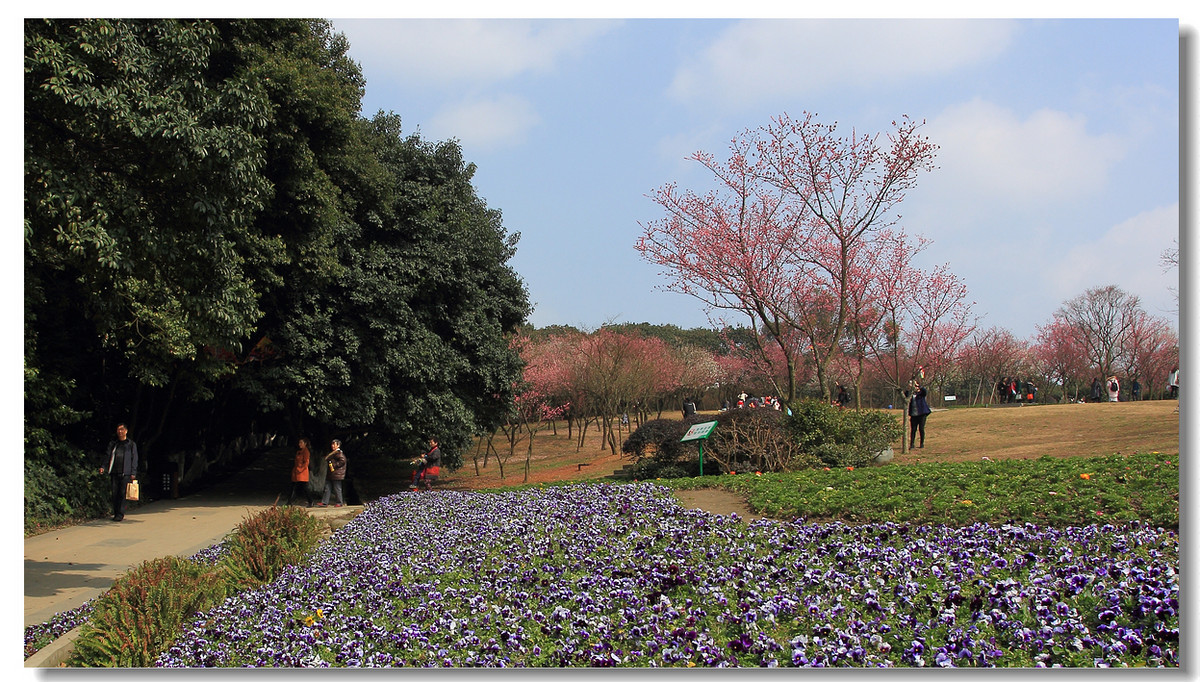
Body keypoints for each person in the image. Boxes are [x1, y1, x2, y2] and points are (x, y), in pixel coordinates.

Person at [98, 423, 138, 522]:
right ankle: (116, 512)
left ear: (126, 431)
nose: (120, 432)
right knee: (115, 493)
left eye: (122, 429)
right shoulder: (113, 444)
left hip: (126, 473)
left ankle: (120, 514)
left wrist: (133, 472)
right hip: (114, 472)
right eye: (118, 430)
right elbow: (107, 456)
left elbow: (134, 459)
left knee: (122, 493)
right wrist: (103, 466)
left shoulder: (131, 444)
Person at [319, 439, 347, 507]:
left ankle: (339, 502)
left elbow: (343, 461)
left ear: (338, 445)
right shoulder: (333, 453)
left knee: (337, 488)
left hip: (337, 473)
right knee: (327, 488)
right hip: (331, 473)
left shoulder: (339, 453)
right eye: (332, 444)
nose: (333, 446)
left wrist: (334, 465)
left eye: (334, 444)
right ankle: (325, 502)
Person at [287, 437, 313, 507]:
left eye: (301, 443)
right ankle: (290, 501)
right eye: (299, 443)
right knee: (297, 487)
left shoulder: (306, 451)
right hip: (297, 472)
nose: (299, 444)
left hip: (302, 473)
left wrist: (301, 469)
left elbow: (306, 462)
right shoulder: (299, 451)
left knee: (302, 487)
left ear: (305, 444)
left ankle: (291, 501)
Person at [906, 380, 932, 449]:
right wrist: (909, 388)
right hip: (914, 414)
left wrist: (918, 386)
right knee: (913, 429)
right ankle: (912, 444)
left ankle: (922, 443)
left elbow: (924, 391)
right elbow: (906, 395)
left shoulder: (921, 393)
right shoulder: (910, 394)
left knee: (921, 429)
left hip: (921, 414)